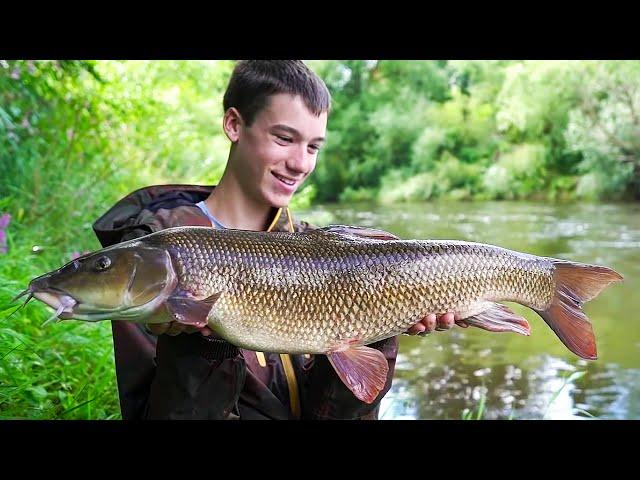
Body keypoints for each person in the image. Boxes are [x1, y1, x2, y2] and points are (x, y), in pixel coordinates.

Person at [93, 60, 455, 420]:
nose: (301, 163)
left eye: (313, 147)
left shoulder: (320, 248)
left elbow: (336, 413)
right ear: (234, 124)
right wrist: (201, 348)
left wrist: (380, 325)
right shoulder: (153, 259)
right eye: (285, 138)